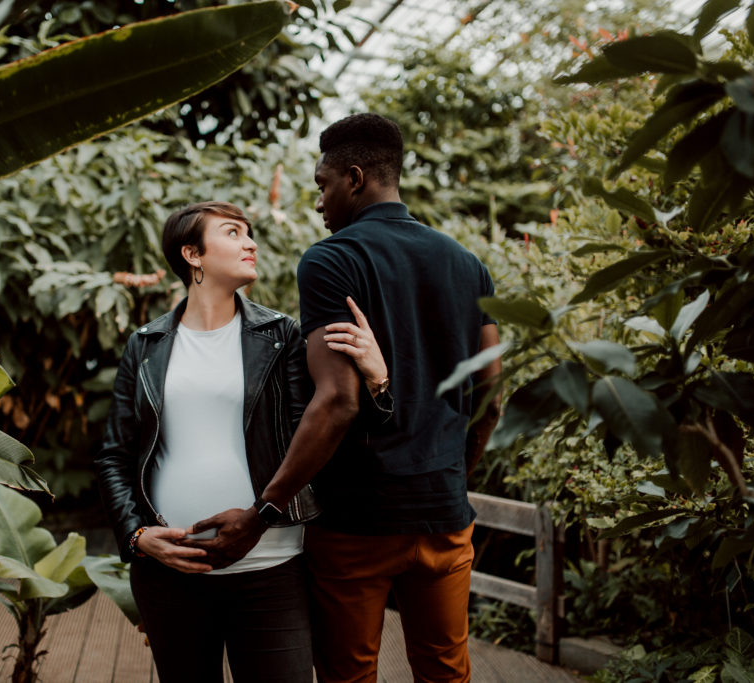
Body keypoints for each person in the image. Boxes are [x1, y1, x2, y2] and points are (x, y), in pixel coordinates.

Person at [186, 115, 503, 682]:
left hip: (358, 523)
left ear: (354, 178)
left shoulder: (333, 259)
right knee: (447, 673)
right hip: (443, 517)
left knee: (348, 676)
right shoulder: (468, 266)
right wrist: (452, 479)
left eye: (322, 184)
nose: (318, 202)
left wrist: (262, 514)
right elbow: (492, 398)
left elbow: (338, 402)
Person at [95, 201, 390, 683]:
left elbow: (321, 439)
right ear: (192, 254)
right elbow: (115, 455)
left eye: (250, 233)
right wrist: (137, 537)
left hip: (273, 568)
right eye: (233, 233)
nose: (251, 243)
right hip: (170, 576)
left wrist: (377, 385)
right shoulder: (144, 345)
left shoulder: (280, 336)